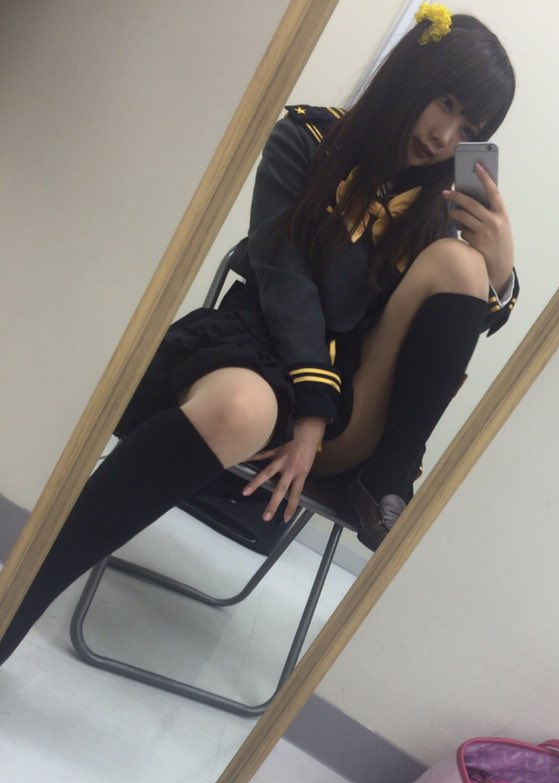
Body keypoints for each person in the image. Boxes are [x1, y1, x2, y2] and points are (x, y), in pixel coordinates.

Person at [0, 4, 518, 666]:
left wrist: (501, 271)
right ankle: (17, 597)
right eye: (444, 102)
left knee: (463, 264)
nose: (445, 135)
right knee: (238, 410)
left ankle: (388, 482)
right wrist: (311, 408)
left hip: (358, 406)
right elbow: (285, 280)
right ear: (412, 74)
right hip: (267, 344)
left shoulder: (444, 211)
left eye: (469, 129)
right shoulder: (306, 139)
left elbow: (453, 329)